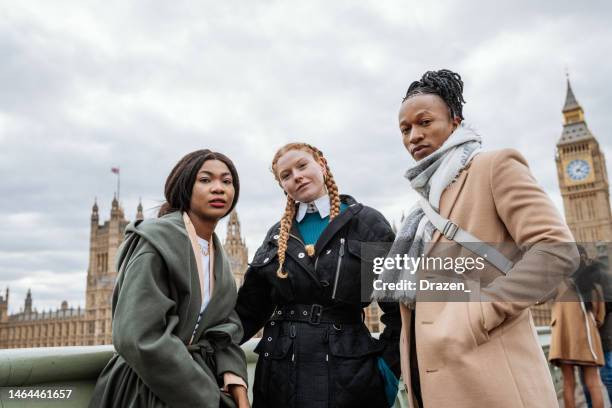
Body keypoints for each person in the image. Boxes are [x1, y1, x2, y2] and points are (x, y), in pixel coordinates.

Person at [380, 69, 579, 407]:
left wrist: (477, 314)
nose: (414, 135)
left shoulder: (493, 167)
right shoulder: (425, 205)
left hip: (490, 379)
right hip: (434, 386)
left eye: (425, 122)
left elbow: (556, 250)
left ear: (455, 122)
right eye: (405, 128)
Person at [236, 143, 401, 408]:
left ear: (322, 165)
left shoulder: (366, 223)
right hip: (279, 375)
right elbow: (247, 311)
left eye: (302, 166)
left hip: (350, 374)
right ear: (283, 187)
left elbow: (399, 308)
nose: (296, 176)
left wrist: (389, 368)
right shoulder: (276, 235)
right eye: (286, 175)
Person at [89, 150, 249, 408]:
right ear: (184, 187)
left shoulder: (219, 255)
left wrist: (236, 380)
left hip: (199, 384)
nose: (218, 188)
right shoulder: (154, 242)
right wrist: (208, 397)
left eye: (226, 181)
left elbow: (225, 327)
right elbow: (137, 336)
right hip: (149, 391)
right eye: (206, 180)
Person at [550, 246, 606, 408]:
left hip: (564, 339)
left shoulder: (559, 284)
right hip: (588, 341)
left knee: (568, 384)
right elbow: (599, 317)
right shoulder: (595, 287)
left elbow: (538, 298)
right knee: (593, 384)